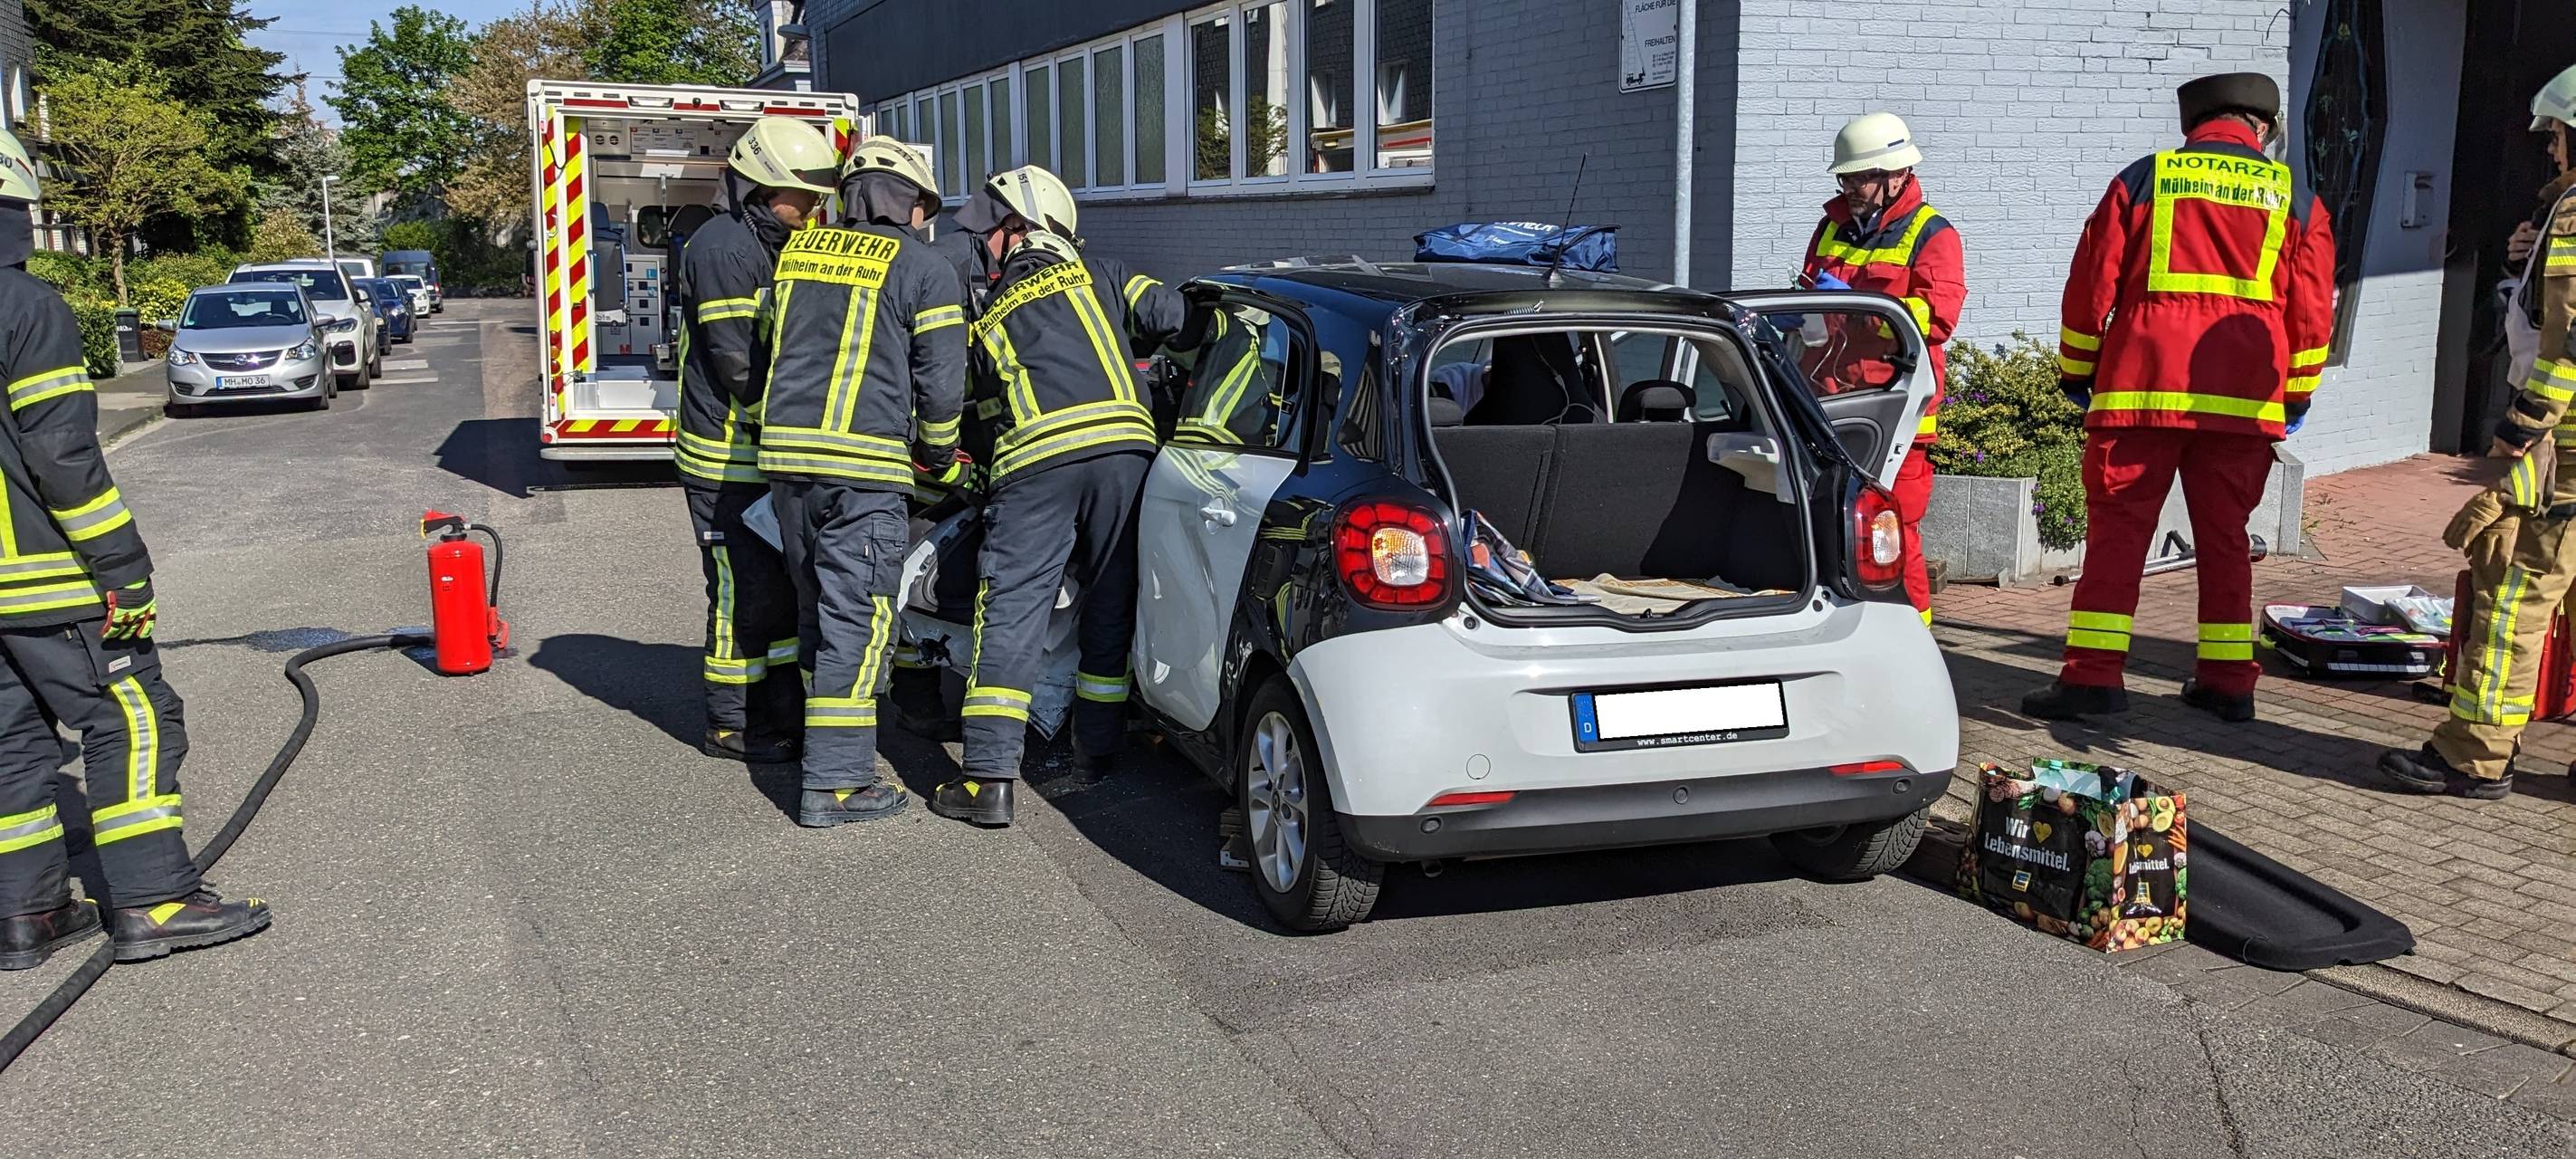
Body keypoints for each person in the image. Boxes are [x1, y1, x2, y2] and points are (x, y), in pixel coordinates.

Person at [0, 128, 270, 970]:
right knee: (135, 715)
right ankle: (154, 898)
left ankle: (28, 916)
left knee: (11, 739)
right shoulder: (26, 307)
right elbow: (63, 458)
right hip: (42, 578)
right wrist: (121, 568)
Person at [2020, 72, 2336, 725]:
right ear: (2265, 129)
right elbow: (2311, 313)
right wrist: (2296, 395)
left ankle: (2093, 680)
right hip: (2245, 404)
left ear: (2191, 126)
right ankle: (2227, 682)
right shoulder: (2296, 199)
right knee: (2225, 539)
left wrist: (2078, 372)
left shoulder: (2144, 179)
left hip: (2140, 391)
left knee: (2119, 535)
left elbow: (2090, 285)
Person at [930, 186, 1188, 829]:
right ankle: (1095, 753)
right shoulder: (1102, 274)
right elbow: (1175, 313)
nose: (983, 244)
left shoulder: (984, 310)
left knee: (1013, 607)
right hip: (1127, 452)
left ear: (1021, 228)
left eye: (992, 230)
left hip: (1036, 463)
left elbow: (968, 410)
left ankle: (988, 779)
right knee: (1111, 597)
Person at [2376, 64, 2576, 800]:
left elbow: (2566, 344)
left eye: (2557, 135)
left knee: (2511, 598)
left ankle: (2474, 755)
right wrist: (2523, 262)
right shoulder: (2559, 217)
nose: (2551, 150)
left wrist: (2520, 428)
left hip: (2567, 456)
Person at [758, 137, 968, 827]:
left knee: (819, 612)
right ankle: (838, 783)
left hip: (788, 468)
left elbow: (768, 343)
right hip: (863, 474)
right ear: (911, 203)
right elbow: (942, 383)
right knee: (860, 619)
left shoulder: (796, 255)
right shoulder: (924, 268)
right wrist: (940, 456)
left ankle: (829, 754)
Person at [674, 116, 840, 765]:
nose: (812, 212)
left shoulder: (767, 245)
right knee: (739, 594)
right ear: (759, 188)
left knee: (770, 594)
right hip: (725, 460)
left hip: (761, 459)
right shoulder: (722, 248)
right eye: (802, 199)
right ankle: (729, 723)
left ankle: (776, 712)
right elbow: (741, 368)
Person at [1798, 111, 1966, 625]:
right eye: (1845, 177)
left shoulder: (1931, 234)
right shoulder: (1831, 227)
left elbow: (1936, 319)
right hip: (1829, 403)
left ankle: (1915, 640)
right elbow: (1805, 292)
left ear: (1897, 175)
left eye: (1861, 176)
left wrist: (1859, 307)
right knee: (1827, 526)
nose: (1850, 186)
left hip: (1897, 409)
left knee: (1893, 532)